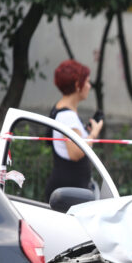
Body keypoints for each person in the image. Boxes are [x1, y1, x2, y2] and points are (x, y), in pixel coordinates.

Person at [45, 59, 104, 202]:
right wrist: (93, 134)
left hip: (68, 190)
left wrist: (86, 133)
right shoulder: (67, 116)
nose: (89, 86)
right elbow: (75, 153)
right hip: (68, 194)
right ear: (78, 85)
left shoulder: (61, 109)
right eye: (87, 82)